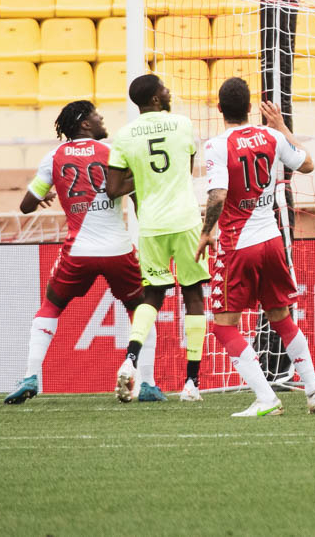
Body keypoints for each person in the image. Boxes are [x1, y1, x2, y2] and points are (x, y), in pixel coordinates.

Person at [5, 101, 164, 404]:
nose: (102, 119)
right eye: (96, 116)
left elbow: (26, 205)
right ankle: (147, 384)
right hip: (118, 249)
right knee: (141, 308)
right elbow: (135, 197)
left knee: (50, 307)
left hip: (79, 251)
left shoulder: (53, 157)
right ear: (85, 124)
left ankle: (30, 376)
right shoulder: (114, 152)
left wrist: (45, 196)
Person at [197, 77, 315, 416]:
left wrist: (206, 232)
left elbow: (218, 195)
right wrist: (282, 126)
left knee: (224, 325)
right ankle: (313, 390)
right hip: (272, 240)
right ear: (250, 107)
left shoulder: (217, 145)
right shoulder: (271, 136)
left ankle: (266, 398)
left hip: (239, 244)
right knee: (281, 316)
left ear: (219, 108)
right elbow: (308, 164)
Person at [106, 75, 208, 403]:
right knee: (193, 294)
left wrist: (142, 177)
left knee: (152, 295)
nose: (168, 91)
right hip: (186, 221)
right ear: (154, 98)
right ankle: (191, 383)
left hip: (150, 225)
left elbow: (113, 189)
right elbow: (186, 171)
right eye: (163, 88)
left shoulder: (123, 136)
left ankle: (130, 359)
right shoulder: (182, 124)